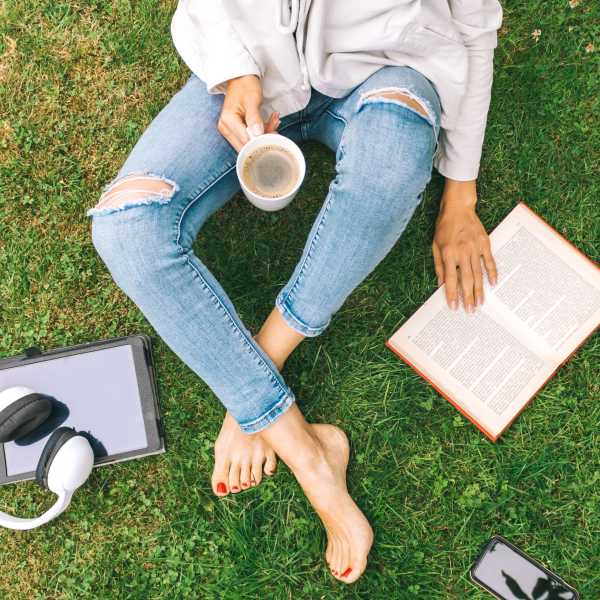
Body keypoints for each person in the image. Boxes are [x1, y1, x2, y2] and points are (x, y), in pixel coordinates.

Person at [88, 0, 502, 583]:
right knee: (126, 226)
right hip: (251, 73)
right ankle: (307, 453)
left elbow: (477, 31)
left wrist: (461, 195)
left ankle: (260, 373)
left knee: (388, 166)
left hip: (387, 73)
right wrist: (237, 70)